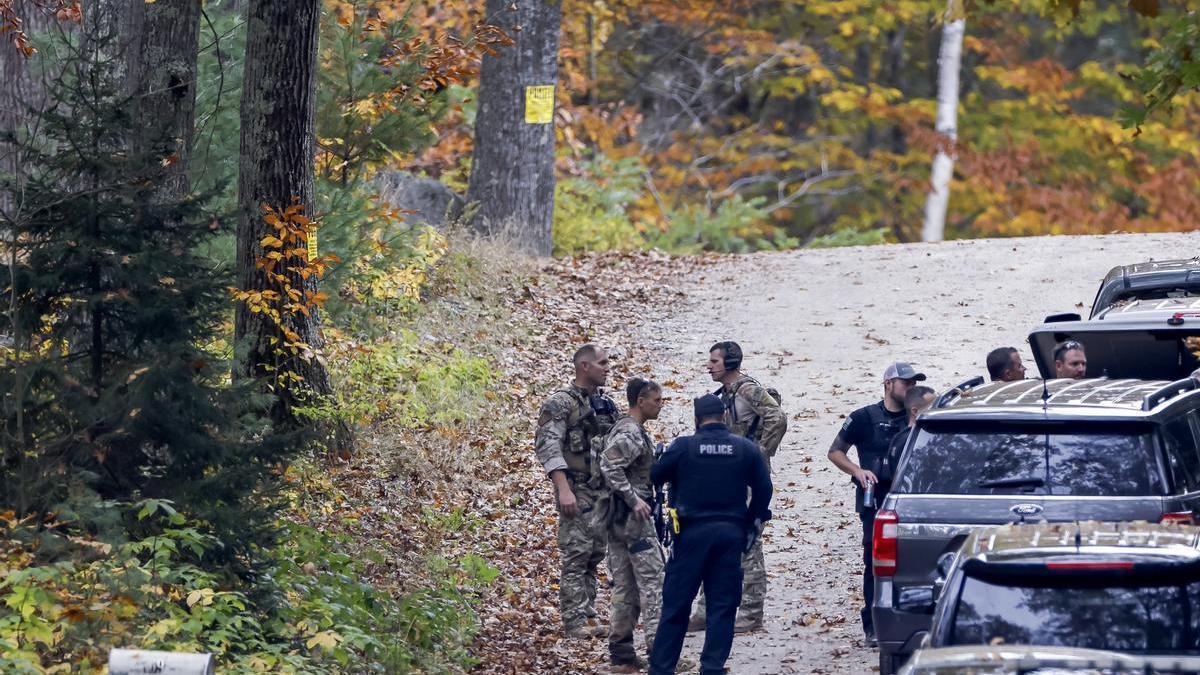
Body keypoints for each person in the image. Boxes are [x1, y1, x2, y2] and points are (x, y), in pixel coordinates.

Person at [649, 395, 773, 675]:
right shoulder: (745, 448)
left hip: (691, 535)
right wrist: (753, 518)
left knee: (676, 606)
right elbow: (764, 489)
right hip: (730, 535)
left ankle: (661, 669)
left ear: (697, 420)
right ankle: (712, 667)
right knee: (722, 606)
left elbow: (655, 475)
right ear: (725, 417)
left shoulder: (684, 446)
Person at [688, 340, 787, 634]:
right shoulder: (726, 394)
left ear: (730, 363)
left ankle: (752, 613)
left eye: (714, 362)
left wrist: (758, 453)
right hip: (725, 479)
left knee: (748, 541)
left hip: (746, 482)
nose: (709, 366)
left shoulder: (747, 390)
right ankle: (706, 611)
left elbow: (777, 417)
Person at [827, 362, 926, 646]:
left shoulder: (918, 416)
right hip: (875, 501)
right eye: (905, 382)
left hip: (910, 499)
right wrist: (857, 471)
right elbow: (835, 452)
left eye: (914, 383)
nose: (911, 387)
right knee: (875, 563)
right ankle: (872, 626)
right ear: (887, 384)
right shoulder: (862, 417)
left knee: (911, 561)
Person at [533, 344, 619, 639]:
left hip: (602, 493)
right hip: (576, 490)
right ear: (584, 366)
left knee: (594, 555)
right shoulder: (560, 403)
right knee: (576, 556)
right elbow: (547, 445)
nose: (608, 368)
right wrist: (563, 489)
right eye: (602, 363)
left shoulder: (605, 404)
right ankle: (573, 623)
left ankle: (587, 613)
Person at [599, 377, 667, 672]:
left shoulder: (628, 429)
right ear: (641, 401)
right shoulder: (630, 433)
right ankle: (660, 655)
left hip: (617, 519)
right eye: (657, 400)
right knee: (654, 583)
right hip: (634, 518)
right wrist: (634, 499)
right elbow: (609, 464)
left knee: (625, 586)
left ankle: (622, 655)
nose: (660, 404)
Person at [876, 385, 937, 498]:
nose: (938, 412)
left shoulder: (900, 438)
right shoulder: (914, 441)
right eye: (933, 408)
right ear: (915, 411)